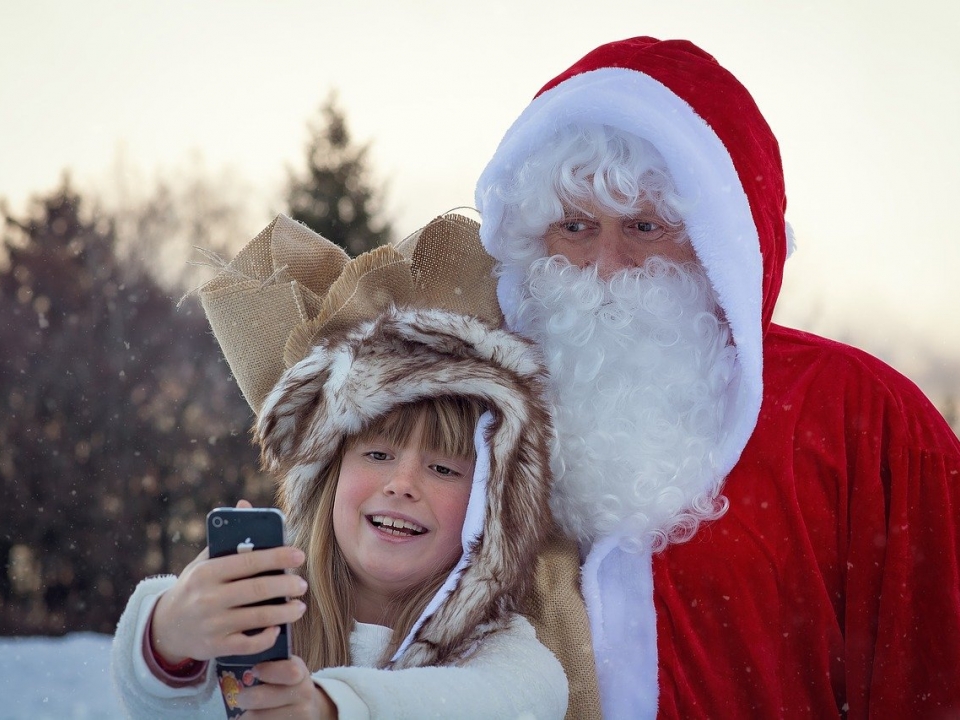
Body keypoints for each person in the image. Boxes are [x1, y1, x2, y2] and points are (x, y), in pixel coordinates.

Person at [474, 37, 960, 719]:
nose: (607, 265)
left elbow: (932, 678)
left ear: (716, 243)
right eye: (576, 227)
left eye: (645, 226)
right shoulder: (470, 417)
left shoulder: (865, 420)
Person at [111, 214, 568, 718]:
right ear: (328, 478)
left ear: (490, 507)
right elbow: (162, 702)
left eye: (443, 469)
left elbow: (491, 704)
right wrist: (169, 633)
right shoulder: (259, 620)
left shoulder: (510, 657)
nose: (401, 484)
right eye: (377, 454)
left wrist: (329, 707)